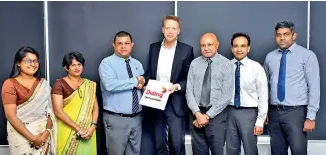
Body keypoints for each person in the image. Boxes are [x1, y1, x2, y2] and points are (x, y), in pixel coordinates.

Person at [264, 21, 320, 155]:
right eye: (279, 35)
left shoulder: (307, 56)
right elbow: (265, 86)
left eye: (286, 34)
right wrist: (264, 111)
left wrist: (310, 117)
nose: (282, 38)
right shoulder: (270, 57)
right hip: (274, 113)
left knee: (298, 151)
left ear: (294, 35)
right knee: (277, 152)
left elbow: (314, 86)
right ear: (275, 37)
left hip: (296, 113)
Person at [143, 15, 194, 155]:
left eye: (174, 28)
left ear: (178, 31)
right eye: (167, 28)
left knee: (177, 145)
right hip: (156, 99)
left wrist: (177, 86)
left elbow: (189, 77)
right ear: (162, 29)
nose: (170, 31)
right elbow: (150, 72)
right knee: (160, 143)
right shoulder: (153, 48)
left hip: (175, 101)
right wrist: (143, 80)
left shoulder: (186, 50)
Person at [1, 46, 57, 155]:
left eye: (35, 61)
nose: (33, 64)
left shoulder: (43, 84)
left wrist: (46, 132)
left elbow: (50, 111)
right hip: (20, 136)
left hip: (43, 134)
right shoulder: (10, 84)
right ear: (18, 63)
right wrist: (33, 138)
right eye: (28, 61)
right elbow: (11, 116)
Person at [185, 33, 234, 155]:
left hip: (216, 116)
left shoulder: (227, 64)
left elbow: (226, 96)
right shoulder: (194, 64)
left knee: (217, 152)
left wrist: (206, 116)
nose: (206, 48)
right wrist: (197, 114)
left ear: (217, 45)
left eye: (210, 44)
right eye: (203, 45)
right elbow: (188, 91)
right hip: (195, 115)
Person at [99, 31, 145, 155]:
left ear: (132, 45)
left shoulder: (137, 64)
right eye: (120, 43)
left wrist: (145, 88)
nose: (123, 46)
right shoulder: (107, 63)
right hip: (116, 119)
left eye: (127, 43)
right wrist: (135, 81)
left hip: (136, 118)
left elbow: (141, 86)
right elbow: (110, 85)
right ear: (113, 45)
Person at [226, 33, 268, 155]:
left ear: (248, 48)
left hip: (249, 113)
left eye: (243, 46)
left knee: (250, 149)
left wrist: (260, 121)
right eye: (236, 46)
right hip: (229, 112)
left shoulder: (256, 68)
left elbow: (263, 96)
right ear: (232, 48)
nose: (239, 49)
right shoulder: (226, 66)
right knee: (231, 150)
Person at [51, 52, 99, 155]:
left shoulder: (89, 85)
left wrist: (92, 127)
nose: (77, 68)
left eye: (79, 64)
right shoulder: (59, 84)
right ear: (66, 68)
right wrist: (78, 129)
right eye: (73, 65)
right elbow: (58, 111)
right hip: (67, 130)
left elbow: (95, 108)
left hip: (88, 131)